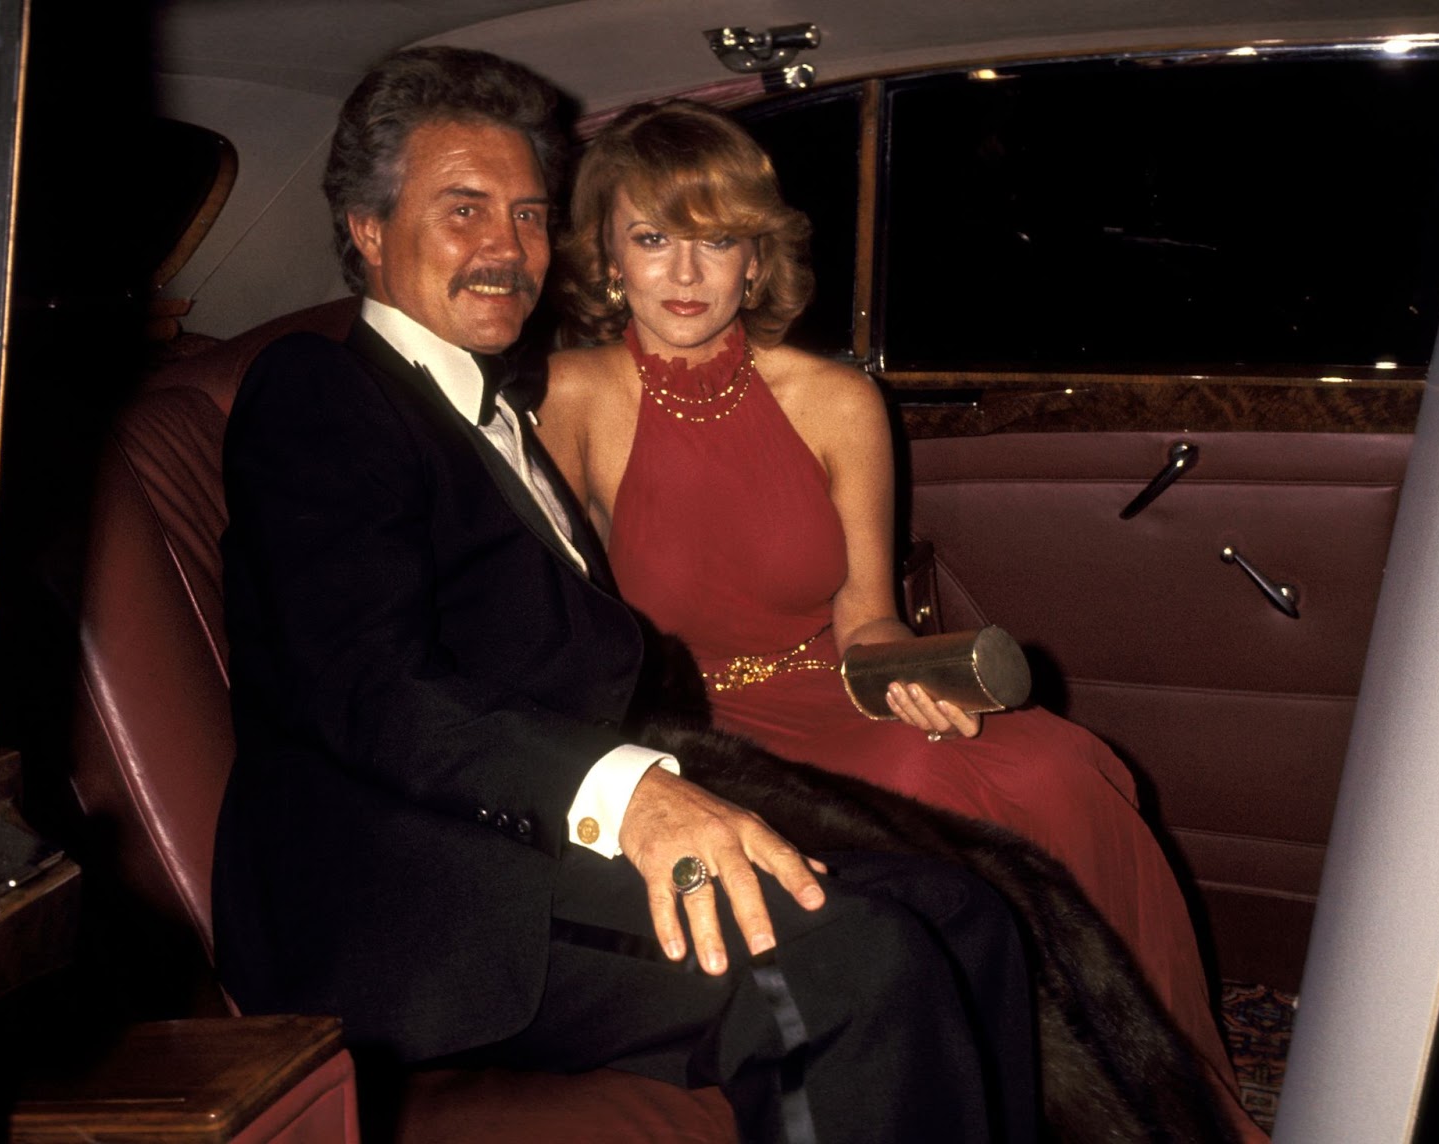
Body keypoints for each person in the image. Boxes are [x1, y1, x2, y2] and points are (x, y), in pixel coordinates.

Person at [213, 46, 1040, 1143]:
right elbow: (369, 688)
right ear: (368, 230)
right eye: (463, 211)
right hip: (408, 887)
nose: (506, 248)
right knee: (854, 959)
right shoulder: (320, 394)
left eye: (528, 214)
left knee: (965, 910)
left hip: (531, 833)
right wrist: (635, 797)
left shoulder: (500, 412)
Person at [538, 100, 1266, 1142]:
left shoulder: (836, 399)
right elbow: (559, 629)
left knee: (1061, 765)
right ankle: (1015, 1092)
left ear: (757, 258)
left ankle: (1165, 1094)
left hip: (826, 688)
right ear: (608, 258)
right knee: (926, 787)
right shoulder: (568, 396)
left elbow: (866, 621)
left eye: (717, 240)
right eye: (654, 240)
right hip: (685, 728)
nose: (686, 273)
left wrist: (903, 676)